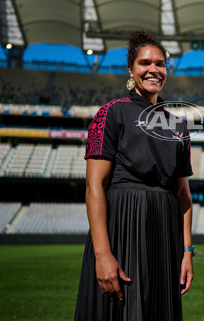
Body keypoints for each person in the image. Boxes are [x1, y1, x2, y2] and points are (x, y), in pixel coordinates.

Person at [74, 31, 194, 321]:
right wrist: (103, 255)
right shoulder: (111, 113)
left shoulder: (179, 125)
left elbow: (183, 196)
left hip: (164, 232)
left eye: (160, 63)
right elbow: (94, 186)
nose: (153, 69)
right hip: (123, 225)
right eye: (145, 63)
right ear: (131, 69)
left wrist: (187, 251)